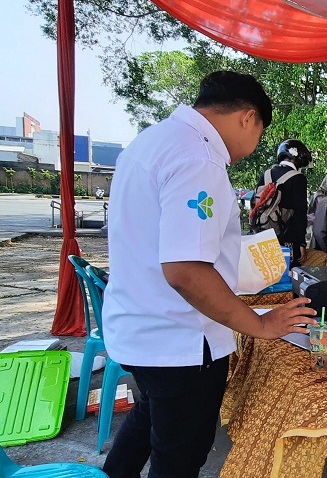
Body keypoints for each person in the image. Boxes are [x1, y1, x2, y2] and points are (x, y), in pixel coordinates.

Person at [100, 71, 316, 478]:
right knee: (178, 459)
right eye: (258, 134)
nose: (252, 150)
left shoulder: (150, 142)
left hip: (141, 330)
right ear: (248, 118)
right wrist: (258, 323)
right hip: (180, 342)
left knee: (147, 420)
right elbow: (185, 270)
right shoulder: (200, 160)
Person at [256, 138, 311, 267]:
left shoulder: (266, 175)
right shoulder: (298, 179)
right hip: (288, 238)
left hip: (264, 235)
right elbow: (300, 213)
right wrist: (301, 243)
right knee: (288, 276)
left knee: (269, 273)